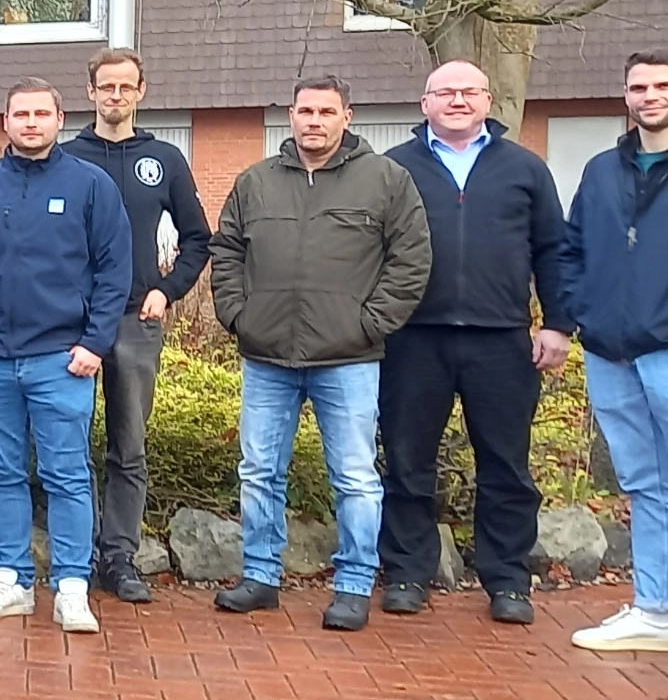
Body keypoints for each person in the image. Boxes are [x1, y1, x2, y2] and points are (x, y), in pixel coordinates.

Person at [210, 76, 432, 631]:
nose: (314, 121)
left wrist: (369, 324)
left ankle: (354, 584)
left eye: (326, 111)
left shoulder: (385, 180)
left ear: (346, 116)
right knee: (259, 471)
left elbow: (411, 260)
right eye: (305, 111)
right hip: (266, 356)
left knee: (355, 476)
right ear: (290, 115)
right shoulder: (256, 182)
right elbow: (227, 251)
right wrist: (238, 315)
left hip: (349, 358)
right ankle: (260, 577)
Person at [380, 61, 572, 624]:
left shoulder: (525, 169)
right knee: (408, 462)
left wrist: (558, 323)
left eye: (469, 92)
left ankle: (509, 581)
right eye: (446, 92)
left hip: (502, 340)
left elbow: (553, 251)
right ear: (424, 103)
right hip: (414, 340)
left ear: (488, 100)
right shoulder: (394, 169)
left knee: (506, 467)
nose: (458, 100)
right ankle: (409, 573)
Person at [0, 79, 130, 632]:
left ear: (59, 118)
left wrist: (94, 343)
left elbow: (114, 269)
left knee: (67, 473)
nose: (30, 122)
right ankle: (12, 581)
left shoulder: (90, 186)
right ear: (6, 120)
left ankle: (72, 586)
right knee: (2, 472)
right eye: (20, 113)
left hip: (60, 359)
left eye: (41, 113)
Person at [60, 47, 212, 604]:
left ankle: (119, 557)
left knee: (128, 445)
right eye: (107, 87)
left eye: (126, 87)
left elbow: (199, 239)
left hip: (134, 320)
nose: (116, 96)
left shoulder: (165, 160)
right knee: (66, 445)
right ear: (91, 91)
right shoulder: (66, 157)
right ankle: (75, 552)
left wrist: (167, 290)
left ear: (141, 92)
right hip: (68, 325)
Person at [561, 50, 668, 653]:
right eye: (638, 86)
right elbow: (573, 248)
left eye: (660, 85)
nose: (649, 95)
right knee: (644, 484)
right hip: (609, 352)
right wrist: (583, 313)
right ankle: (654, 609)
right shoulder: (602, 170)